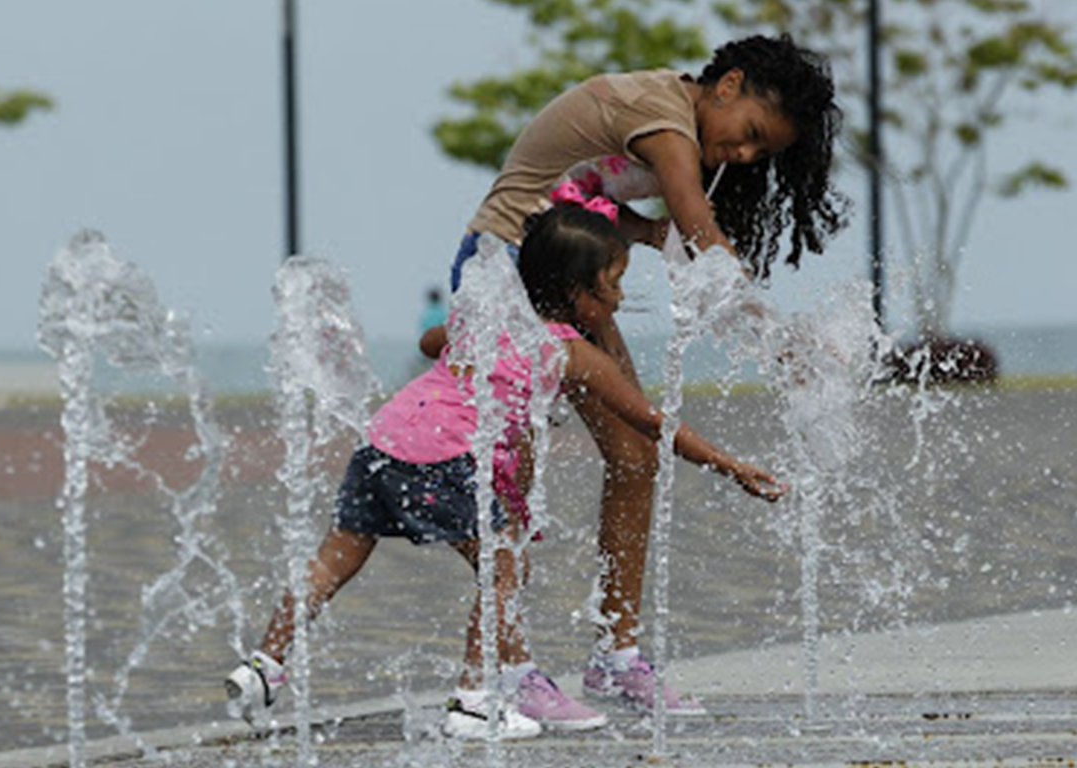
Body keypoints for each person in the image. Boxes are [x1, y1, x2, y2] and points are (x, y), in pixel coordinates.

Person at [226, 203, 787, 740]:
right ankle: (473, 703)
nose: (618, 299)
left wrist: (470, 335)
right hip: (444, 456)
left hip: (383, 440)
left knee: (336, 556)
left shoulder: (492, 319)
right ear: (576, 293)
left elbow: (428, 343)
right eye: (612, 284)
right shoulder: (571, 352)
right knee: (504, 568)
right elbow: (651, 421)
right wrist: (728, 464)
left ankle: (265, 664)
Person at [433, 34, 848, 713]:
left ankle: (616, 656)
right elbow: (698, 229)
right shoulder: (664, 122)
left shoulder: (678, 120)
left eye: (761, 153)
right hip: (502, 273)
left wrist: (651, 237)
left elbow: (584, 194)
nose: (744, 156)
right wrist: (778, 340)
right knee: (514, 473)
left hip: (568, 281)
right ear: (727, 84)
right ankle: (505, 672)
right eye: (747, 134)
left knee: (635, 454)